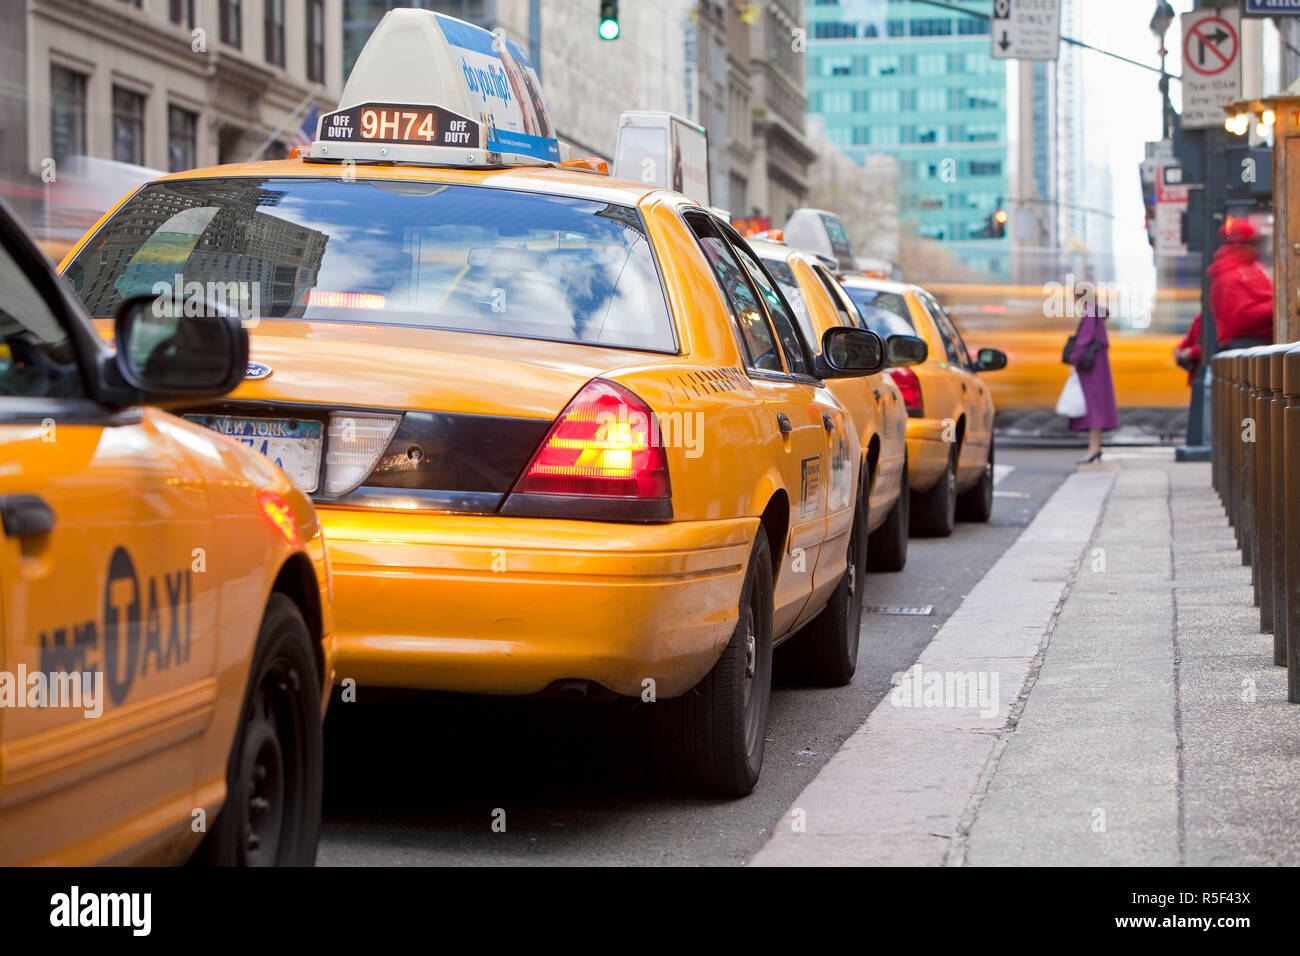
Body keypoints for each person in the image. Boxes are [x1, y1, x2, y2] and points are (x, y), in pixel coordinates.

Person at [1065, 288, 1119, 464]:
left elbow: (1083, 340)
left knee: (1093, 408)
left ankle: (1093, 449)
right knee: (1096, 407)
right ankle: (1094, 448)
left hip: (1091, 369)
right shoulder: (1097, 313)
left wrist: (1073, 360)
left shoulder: (1090, 313)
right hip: (1099, 367)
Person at [1207, 218, 1273, 350]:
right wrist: (1278, 306)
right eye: (1253, 242)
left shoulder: (1249, 268)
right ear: (1241, 243)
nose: (1256, 248)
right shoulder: (1233, 274)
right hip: (1248, 347)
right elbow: (1240, 318)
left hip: (1252, 346)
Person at [1173, 313, 1202, 386]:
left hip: (1207, 373)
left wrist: (1192, 352)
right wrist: (1180, 348)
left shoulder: (1216, 315)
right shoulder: (1201, 317)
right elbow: (1190, 339)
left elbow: (1215, 345)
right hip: (1196, 374)